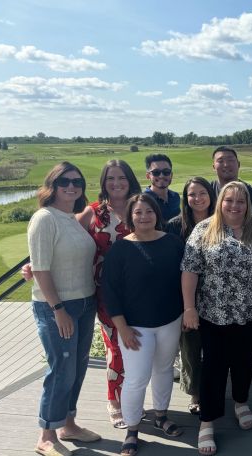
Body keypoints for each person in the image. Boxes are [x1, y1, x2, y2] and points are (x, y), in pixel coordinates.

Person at [182, 181, 252, 456]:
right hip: (213, 313)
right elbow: (190, 270)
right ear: (220, 201)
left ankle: (241, 401)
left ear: (248, 204)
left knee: (245, 360)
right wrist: (189, 308)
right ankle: (207, 421)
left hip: (251, 311)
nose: (234, 206)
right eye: (229, 200)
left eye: (240, 201)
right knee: (213, 366)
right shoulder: (204, 229)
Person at [102, 194, 185, 456]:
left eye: (149, 211)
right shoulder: (121, 249)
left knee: (163, 370)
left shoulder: (173, 243)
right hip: (136, 327)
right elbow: (110, 291)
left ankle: (161, 415)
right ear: (131, 217)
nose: (144, 217)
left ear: (157, 214)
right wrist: (122, 327)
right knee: (136, 379)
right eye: (138, 213)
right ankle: (133, 428)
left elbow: (185, 279)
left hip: (170, 320)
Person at [29, 162, 101, 456]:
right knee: (61, 370)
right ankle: (46, 435)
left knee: (78, 367)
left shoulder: (71, 217)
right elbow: (41, 269)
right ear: (52, 186)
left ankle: (68, 424)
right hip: (59, 305)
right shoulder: (44, 218)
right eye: (64, 181)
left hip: (85, 301)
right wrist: (58, 308)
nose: (72, 186)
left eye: (77, 181)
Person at [77, 159, 141, 429]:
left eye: (122, 178)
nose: (116, 184)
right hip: (105, 294)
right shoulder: (92, 213)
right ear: (103, 182)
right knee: (116, 347)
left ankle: (132, 400)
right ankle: (114, 401)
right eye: (110, 179)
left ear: (130, 180)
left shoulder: (140, 207)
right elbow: (65, 241)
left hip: (139, 292)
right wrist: (36, 264)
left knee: (136, 347)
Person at [164, 177, 216, 416]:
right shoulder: (175, 226)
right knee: (191, 348)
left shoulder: (222, 221)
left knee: (216, 348)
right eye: (192, 194)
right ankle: (195, 393)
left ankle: (215, 390)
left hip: (218, 295)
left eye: (202, 193)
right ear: (186, 199)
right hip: (187, 296)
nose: (198, 198)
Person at [209, 146, 252, 212]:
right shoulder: (207, 191)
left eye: (230, 160)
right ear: (214, 167)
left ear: (238, 164)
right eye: (220, 161)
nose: (226, 165)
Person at [143, 153, 180, 220]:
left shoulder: (175, 197)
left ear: (171, 175)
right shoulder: (143, 200)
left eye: (166, 172)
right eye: (156, 172)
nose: (161, 176)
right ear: (148, 176)